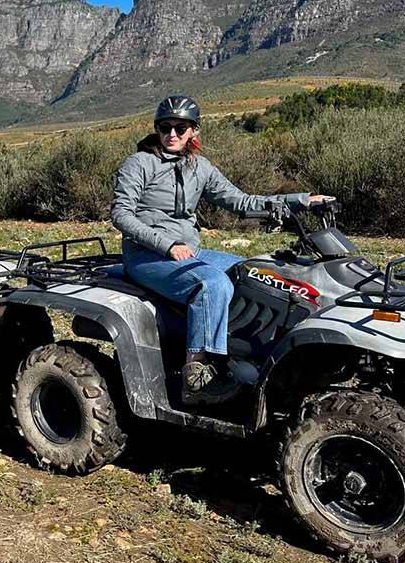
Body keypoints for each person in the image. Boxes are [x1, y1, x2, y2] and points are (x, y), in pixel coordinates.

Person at [111, 95, 330, 392]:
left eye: (180, 127)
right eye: (165, 127)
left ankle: (247, 350)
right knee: (212, 284)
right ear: (156, 128)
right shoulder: (139, 163)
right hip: (146, 256)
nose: (172, 134)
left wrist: (301, 201)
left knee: (253, 271)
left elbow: (241, 202)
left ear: (193, 131)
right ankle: (197, 372)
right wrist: (167, 244)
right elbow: (121, 214)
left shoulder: (199, 167)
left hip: (190, 251)